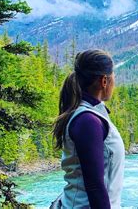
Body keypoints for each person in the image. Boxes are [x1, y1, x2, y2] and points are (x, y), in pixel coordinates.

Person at [51, 50, 125, 209]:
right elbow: (95, 187)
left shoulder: (88, 114)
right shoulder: (88, 121)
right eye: (113, 77)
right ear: (104, 81)